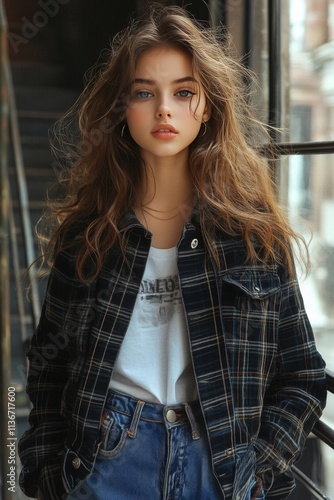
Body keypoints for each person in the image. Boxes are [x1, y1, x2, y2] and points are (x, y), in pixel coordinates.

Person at [18, 5, 327, 500]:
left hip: (218, 462)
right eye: (145, 92)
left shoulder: (253, 236)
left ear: (206, 107)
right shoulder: (90, 234)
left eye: (183, 92)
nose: (164, 108)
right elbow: (48, 367)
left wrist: (258, 469)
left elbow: (303, 375)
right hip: (108, 455)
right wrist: (44, 473)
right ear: (124, 107)